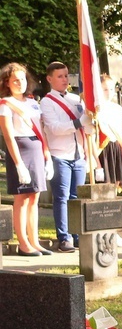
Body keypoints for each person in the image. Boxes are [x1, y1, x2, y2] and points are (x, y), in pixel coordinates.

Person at [0, 63, 51, 256]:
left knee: (34, 196)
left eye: (22, 79)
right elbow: (8, 136)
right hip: (19, 150)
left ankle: (34, 241)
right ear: (7, 83)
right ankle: (23, 243)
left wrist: (47, 155)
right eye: (15, 80)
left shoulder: (32, 102)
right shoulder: (5, 104)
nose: (20, 83)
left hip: (36, 148)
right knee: (21, 198)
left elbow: (40, 130)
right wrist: (19, 163)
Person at [40, 61, 91, 253]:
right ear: (50, 78)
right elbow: (54, 128)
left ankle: (77, 234)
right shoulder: (46, 102)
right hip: (60, 154)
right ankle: (64, 237)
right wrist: (78, 122)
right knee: (61, 198)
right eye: (59, 76)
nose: (64, 80)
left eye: (66, 76)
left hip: (78, 154)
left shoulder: (76, 99)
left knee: (75, 197)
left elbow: (86, 126)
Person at [98, 74, 122, 190]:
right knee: (104, 188)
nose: (109, 92)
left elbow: (121, 136)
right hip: (102, 149)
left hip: (116, 148)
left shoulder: (117, 109)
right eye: (105, 89)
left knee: (116, 185)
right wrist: (97, 165)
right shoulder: (95, 109)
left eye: (112, 89)